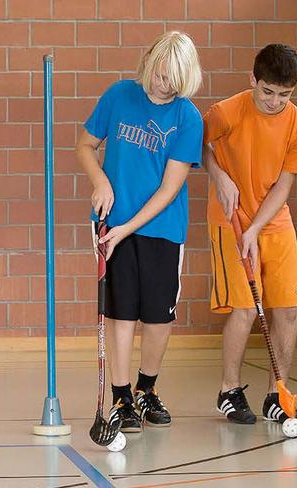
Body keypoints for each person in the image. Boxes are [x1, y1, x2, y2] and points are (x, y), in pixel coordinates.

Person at [75, 31, 203, 432]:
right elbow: (84, 145)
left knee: (157, 316)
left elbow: (170, 188)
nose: (160, 85)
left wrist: (128, 228)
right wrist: (101, 181)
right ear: (148, 61)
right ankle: (122, 396)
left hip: (161, 228)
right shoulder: (118, 95)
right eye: (157, 73)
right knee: (121, 311)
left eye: (170, 80)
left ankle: (147, 391)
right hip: (113, 223)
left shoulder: (188, 118)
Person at [202, 43, 297, 426]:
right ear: (253, 80)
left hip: (272, 222)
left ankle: (276, 394)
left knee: (287, 310)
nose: (274, 101)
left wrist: (256, 228)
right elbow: (203, 148)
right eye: (267, 91)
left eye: (284, 95)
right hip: (228, 218)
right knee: (246, 308)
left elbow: (284, 186)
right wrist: (219, 177)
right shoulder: (225, 112)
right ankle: (228, 390)